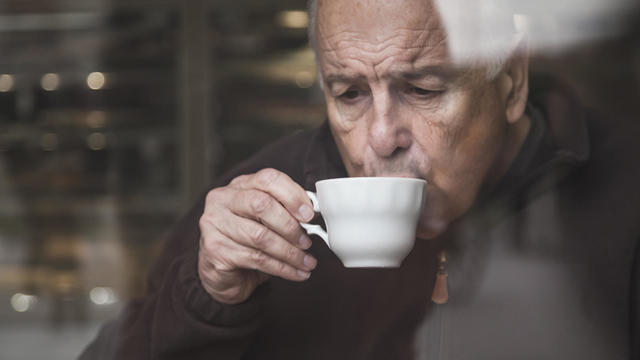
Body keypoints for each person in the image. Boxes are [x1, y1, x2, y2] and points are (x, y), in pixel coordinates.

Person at [80, 0, 640, 359]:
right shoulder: (265, 204)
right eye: (348, 93)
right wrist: (207, 302)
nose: (380, 137)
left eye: (422, 89)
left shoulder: (622, 194)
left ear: (511, 82)